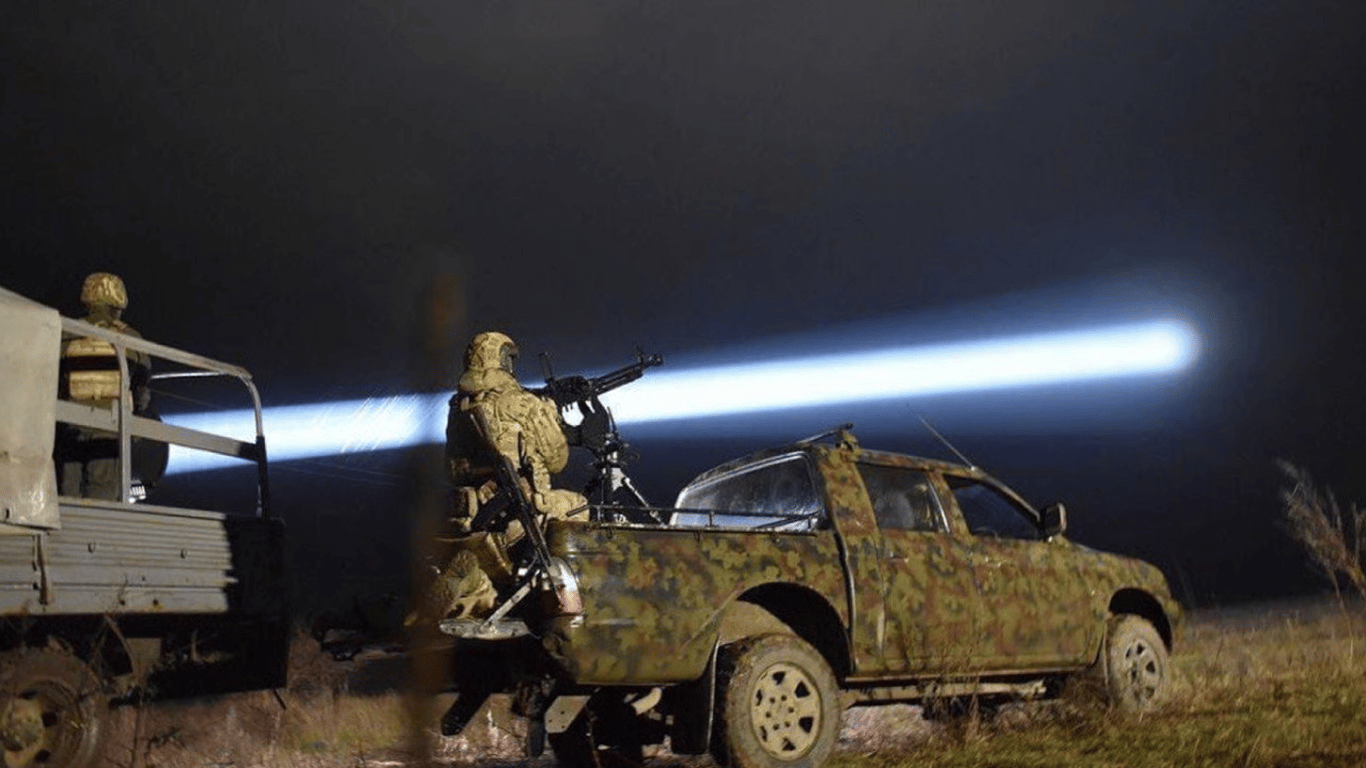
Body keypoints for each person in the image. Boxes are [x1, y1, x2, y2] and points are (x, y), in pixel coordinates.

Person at [413, 331, 586, 623]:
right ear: (504, 361)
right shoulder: (525, 404)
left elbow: (452, 469)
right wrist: (551, 415)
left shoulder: (458, 407)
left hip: (473, 516)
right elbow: (558, 461)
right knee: (578, 505)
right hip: (518, 517)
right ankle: (552, 598)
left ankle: (477, 582)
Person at [57, 272, 151, 500]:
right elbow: (141, 386)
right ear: (118, 302)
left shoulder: (66, 331)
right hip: (109, 433)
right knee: (103, 498)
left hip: (69, 431)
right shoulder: (129, 336)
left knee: (67, 497)